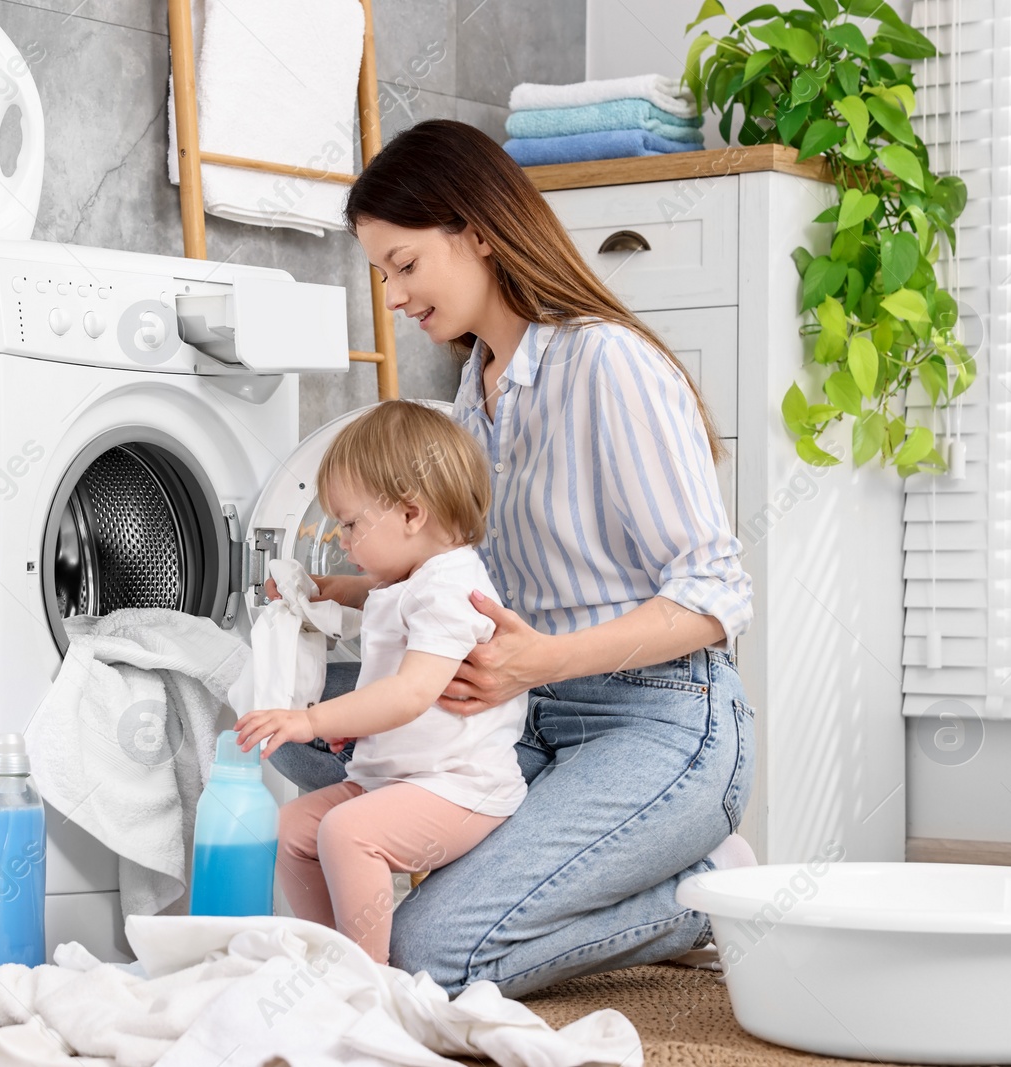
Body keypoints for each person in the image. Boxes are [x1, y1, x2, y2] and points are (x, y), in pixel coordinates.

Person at [264, 118, 760, 999]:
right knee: (304, 739)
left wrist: (544, 659)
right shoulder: (474, 394)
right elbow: (441, 576)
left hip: (660, 722)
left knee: (430, 954)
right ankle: (557, 885)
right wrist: (330, 596)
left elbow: (717, 595)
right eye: (383, 274)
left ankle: (706, 890)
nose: (394, 296)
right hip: (524, 718)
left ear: (481, 231)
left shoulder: (606, 363)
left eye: (406, 265)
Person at [234, 399, 527, 966]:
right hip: (403, 778)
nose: (341, 537)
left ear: (412, 515)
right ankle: (330, 960)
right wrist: (329, 588)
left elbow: (412, 693)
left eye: (349, 524)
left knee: (347, 834)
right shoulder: (419, 576)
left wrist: (314, 720)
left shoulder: (447, 589)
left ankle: (366, 978)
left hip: (462, 788)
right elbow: (380, 601)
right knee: (294, 829)